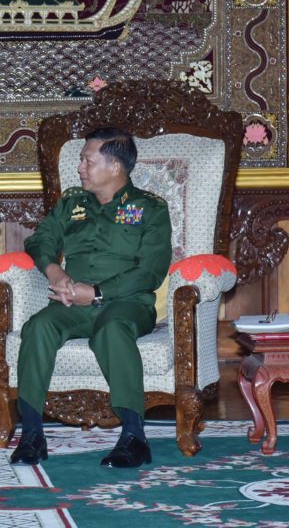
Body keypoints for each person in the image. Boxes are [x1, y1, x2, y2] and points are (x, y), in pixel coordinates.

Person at [10, 127, 172, 469]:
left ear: (115, 167)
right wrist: (55, 272)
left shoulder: (150, 209)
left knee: (112, 330)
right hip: (73, 301)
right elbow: (40, 240)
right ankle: (32, 435)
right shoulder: (71, 202)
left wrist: (97, 292)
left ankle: (133, 436)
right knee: (38, 327)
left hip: (128, 304)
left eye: (87, 160)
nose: (80, 167)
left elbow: (150, 271)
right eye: (82, 160)